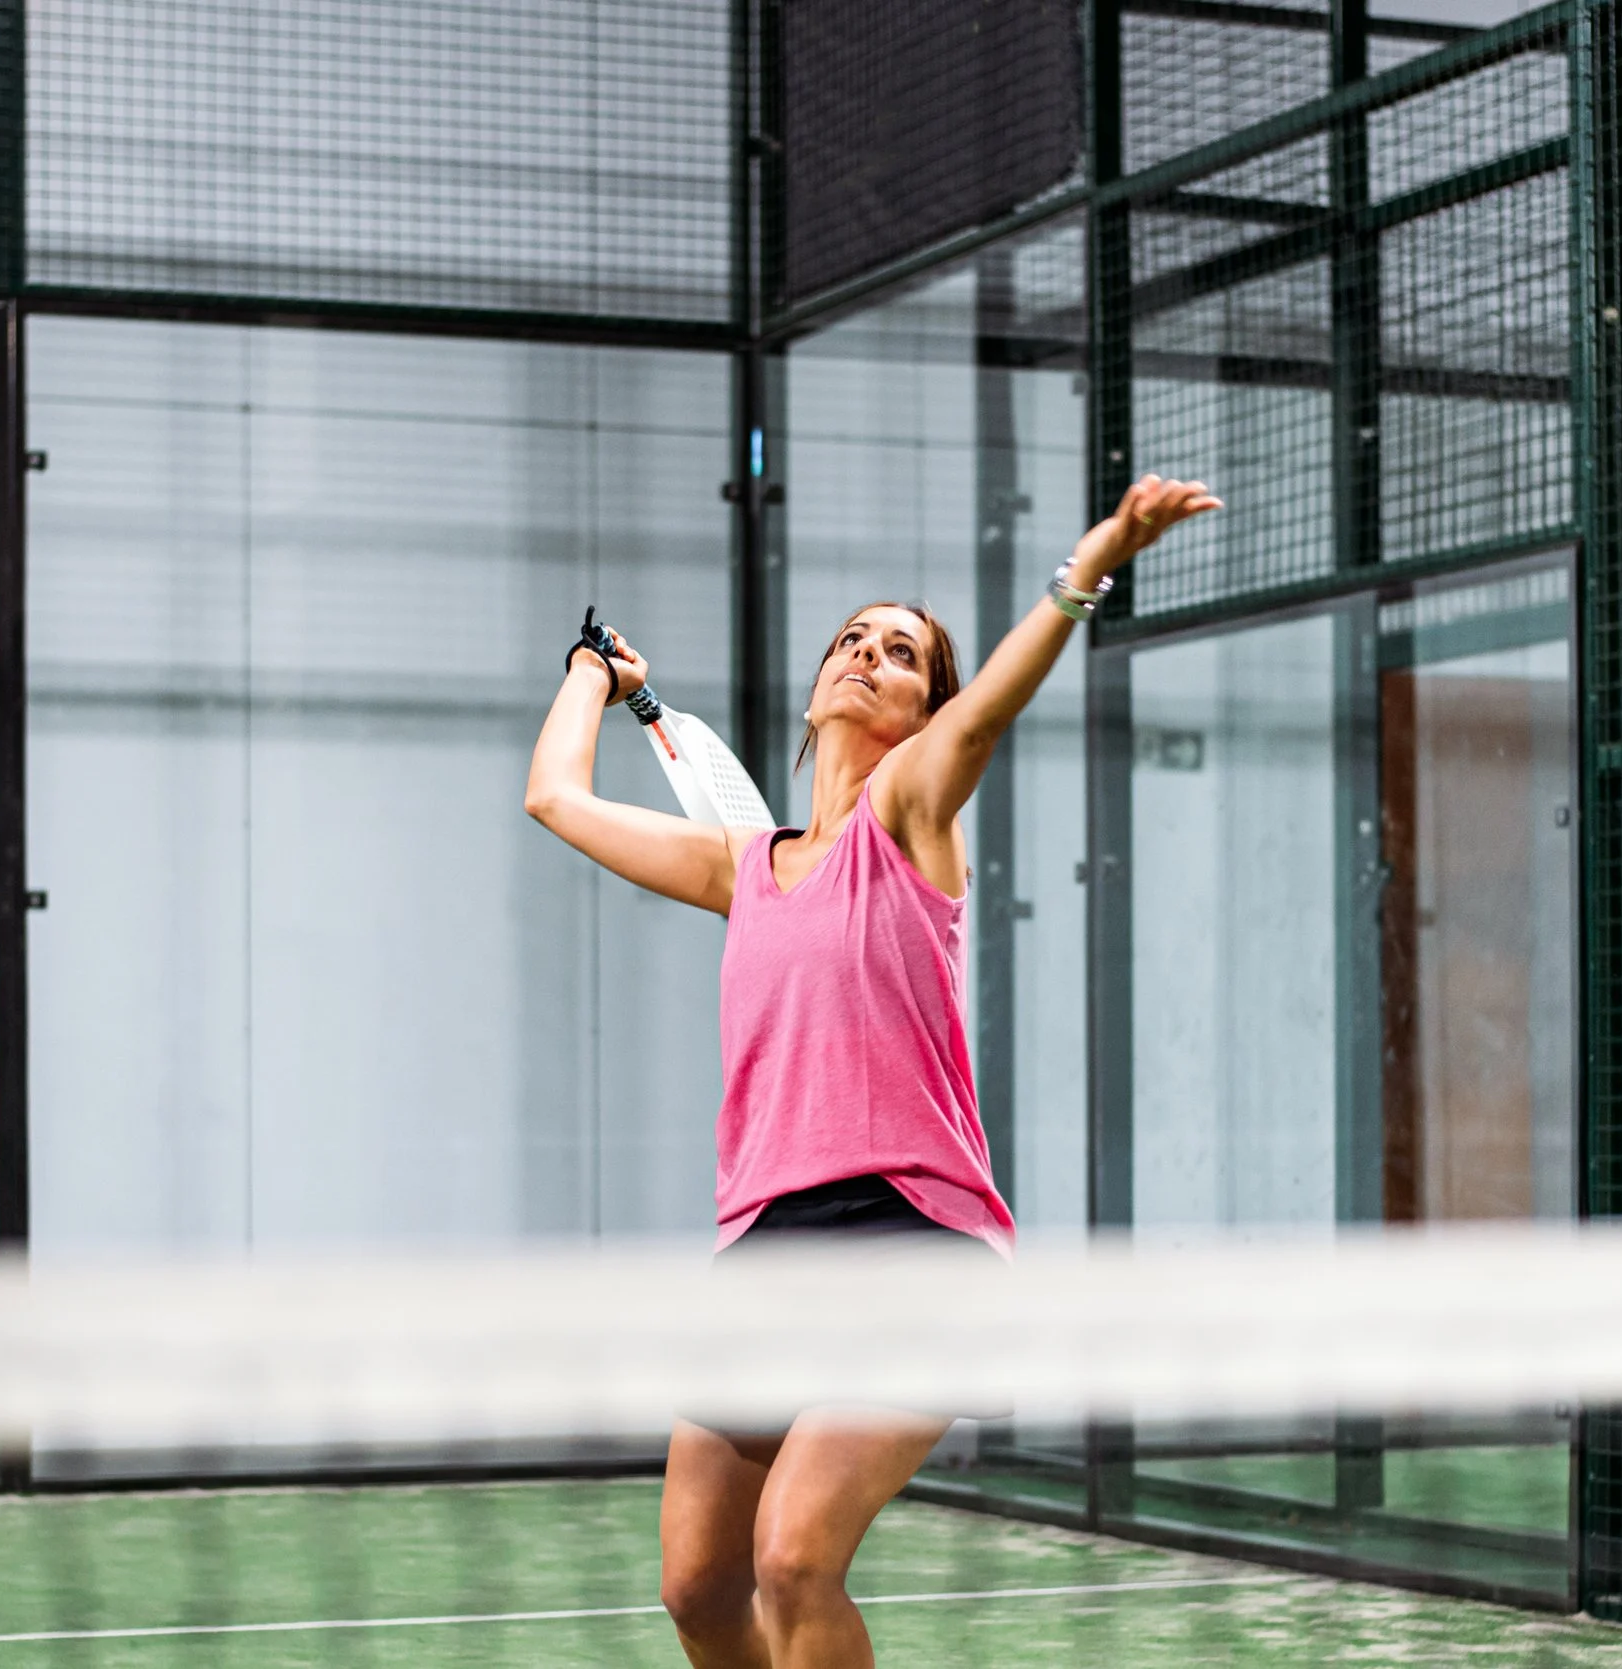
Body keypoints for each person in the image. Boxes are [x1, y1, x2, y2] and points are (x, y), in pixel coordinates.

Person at [523, 474, 1220, 1669]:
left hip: (915, 1242)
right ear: (816, 688)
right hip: (766, 1243)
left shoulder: (910, 817)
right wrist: (594, 674)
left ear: (917, 709)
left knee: (795, 1558)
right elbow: (554, 796)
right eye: (850, 639)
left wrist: (1088, 566)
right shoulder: (742, 868)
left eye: (898, 653)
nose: (864, 656)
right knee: (698, 1584)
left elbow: (988, 716)